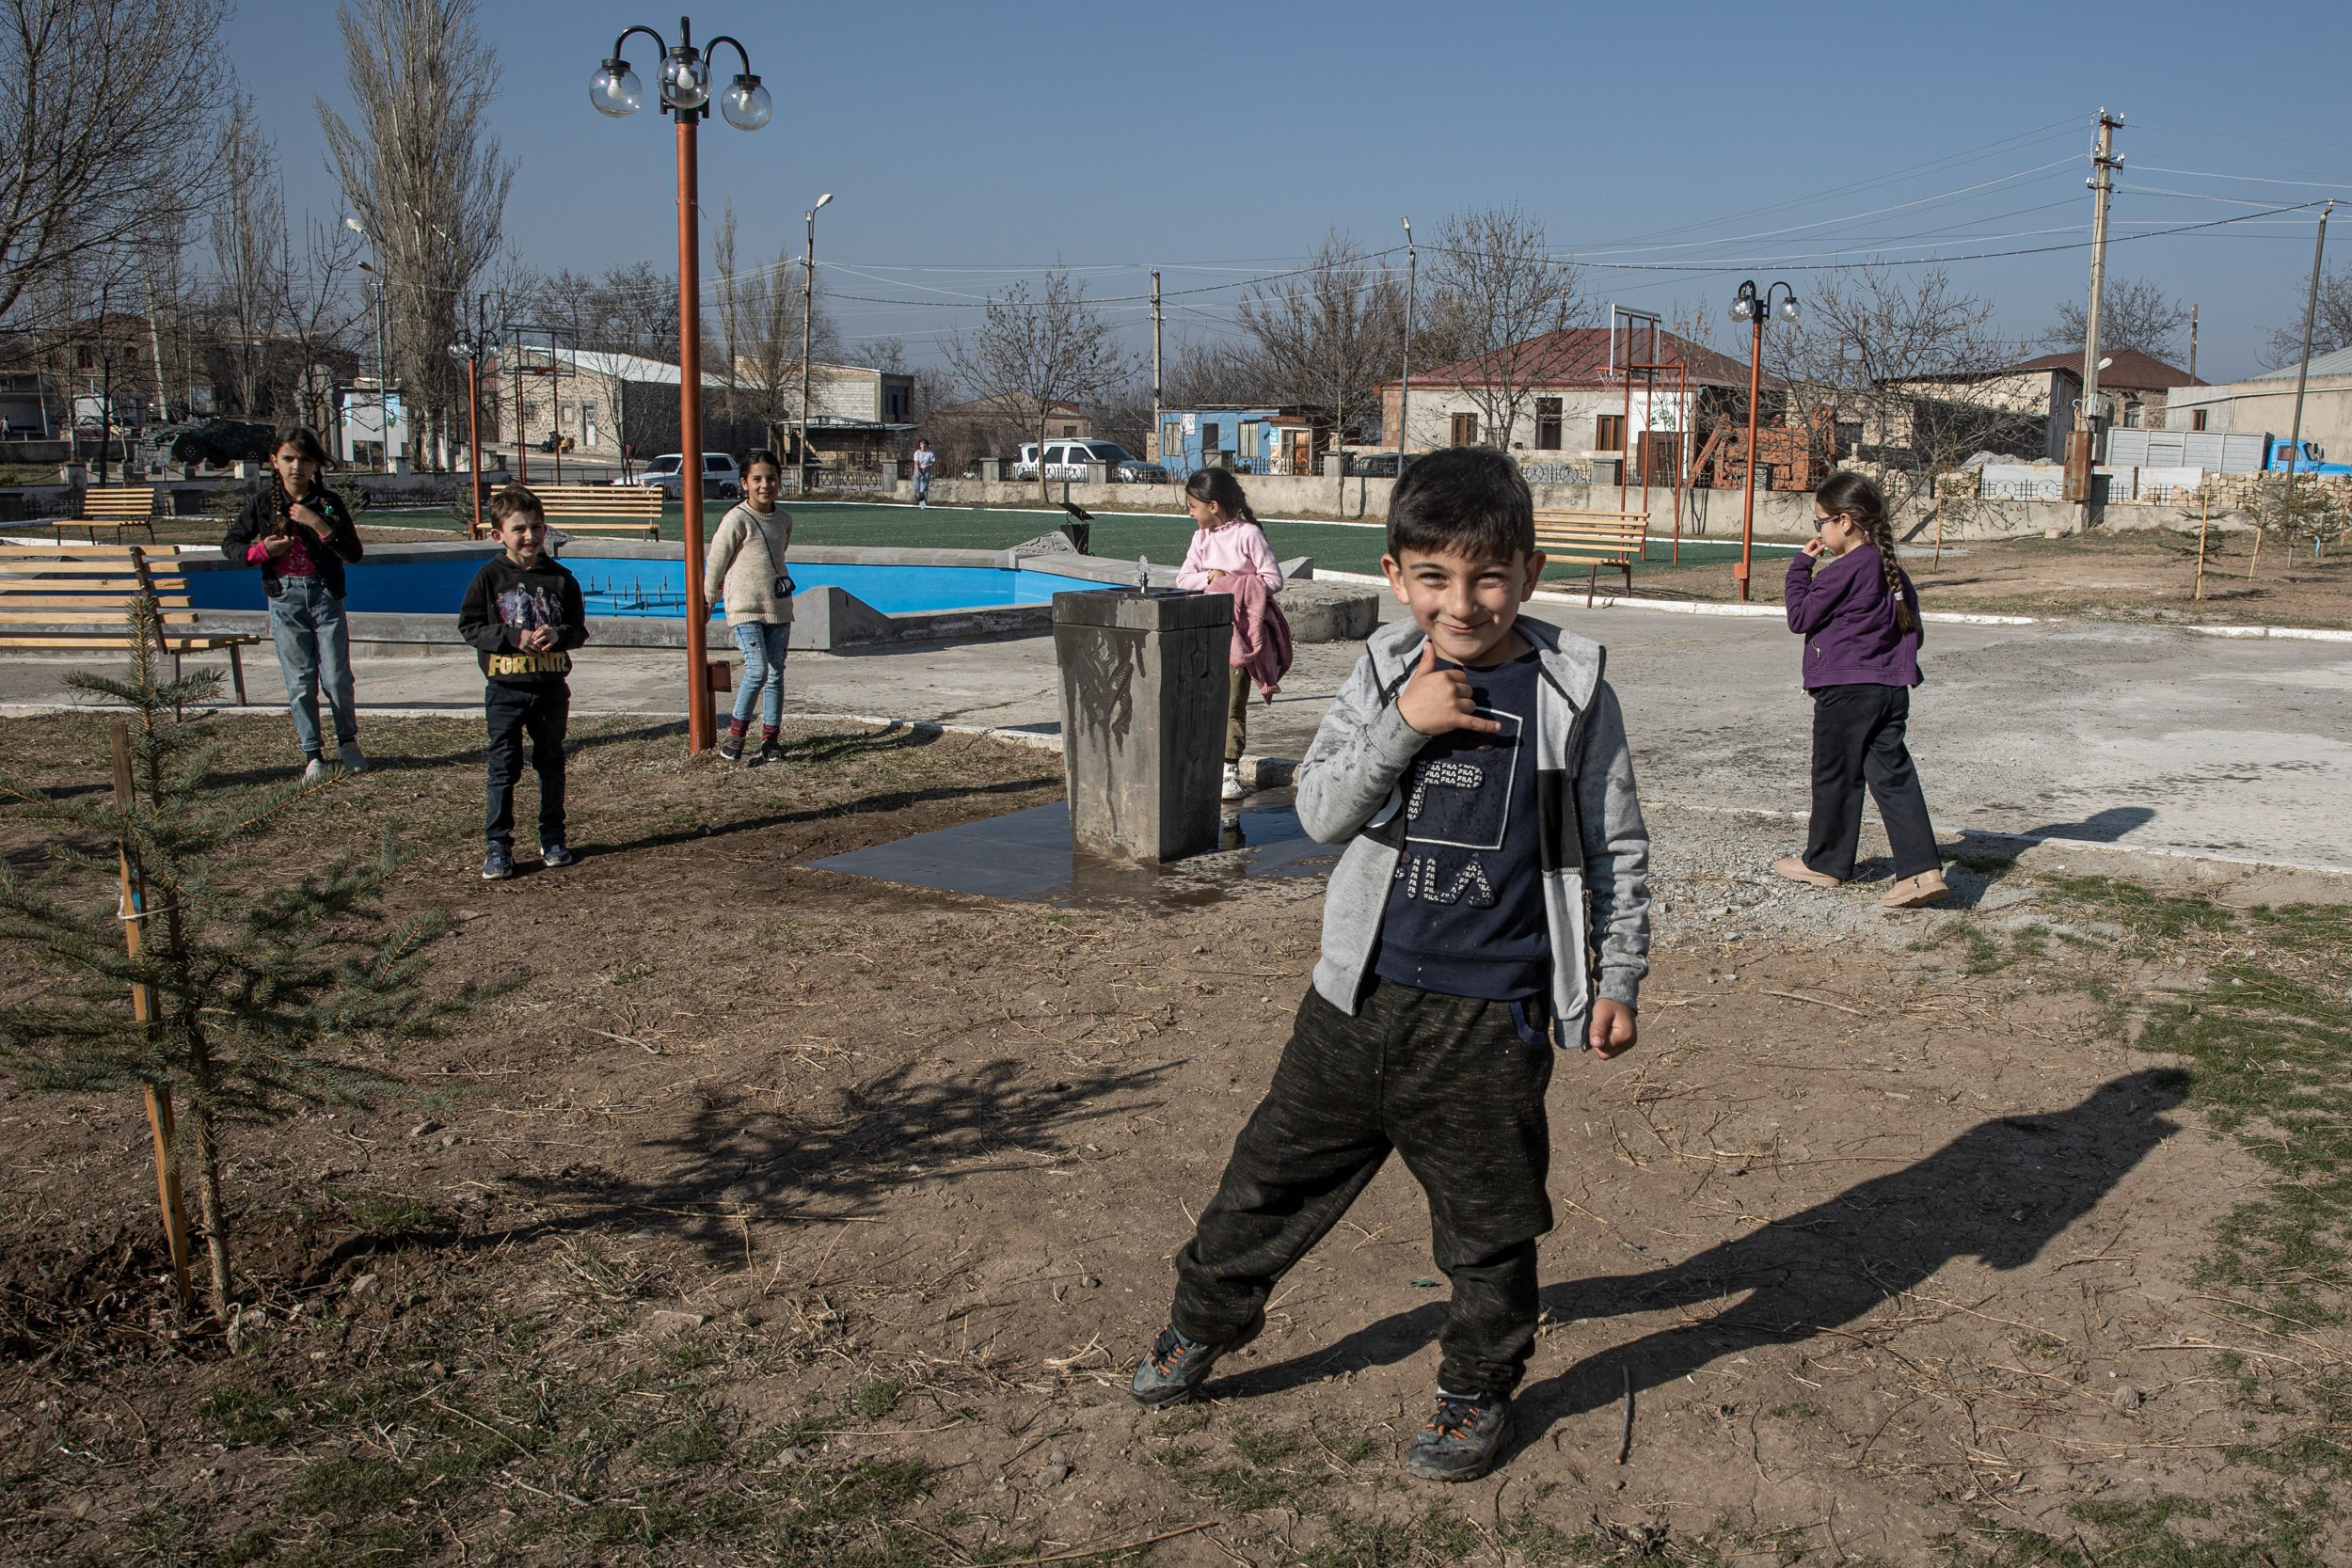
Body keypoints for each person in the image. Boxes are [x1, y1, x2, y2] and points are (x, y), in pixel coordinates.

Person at [1129, 447, 1652, 1484]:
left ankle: (1474, 1390)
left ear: (1530, 572)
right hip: (1354, 1004)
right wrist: (1403, 728)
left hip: (1489, 1023)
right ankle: (1200, 1320)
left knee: (1488, 1226)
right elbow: (1321, 812)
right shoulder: (1381, 671)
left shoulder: (1573, 690)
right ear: (1397, 573)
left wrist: (1617, 975)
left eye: (1489, 575)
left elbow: (1617, 847)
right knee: (1266, 1180)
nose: (1462, 602)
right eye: (1434, 577)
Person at [1774, 470, 1947, 908]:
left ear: (1845, 521)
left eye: (1821, 522)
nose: (1819, 531)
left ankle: (1826, 863)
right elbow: (1913, 629)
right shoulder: (1890, 570)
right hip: (1890, 690)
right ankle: (1922, 872)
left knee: (1834, 775)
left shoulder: (1847, 568)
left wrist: (1801, 565)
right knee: (1892, 777)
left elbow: (1800, 617)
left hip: (1846, 690)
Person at [458, 484, 588, 880]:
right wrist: (513, 638)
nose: (529, 536)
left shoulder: (562, 579)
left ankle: (553, 837)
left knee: (551, 763)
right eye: (519, 529)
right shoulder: (488, 577)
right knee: (503, 767)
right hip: (505, 690)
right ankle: (498, 845)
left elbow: (579, 630)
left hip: (550, 690)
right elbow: (471, 626)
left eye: (536, 527)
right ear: (498, 535)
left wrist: (559, 635)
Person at [222, 426, 366, 780]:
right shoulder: (262, 503)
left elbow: (354, 552)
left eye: (304, 459)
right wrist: (262, 552)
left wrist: (318, 523)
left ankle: (347, 741)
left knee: (336, 678)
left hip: (325, 597)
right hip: (285, 598)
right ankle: (312, 753)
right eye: (288, 458)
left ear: (316, 464)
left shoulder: (328, 503)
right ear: (274, 460)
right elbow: (232, 544)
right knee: (300, 680)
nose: (295, 467)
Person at [1173, 467, 1282, 801]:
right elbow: (1183, 579)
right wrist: (1209, 578)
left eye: (1193, 505)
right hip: (1207, 632)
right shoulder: (1200, 539)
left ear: (1214, 505)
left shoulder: (1248, 535)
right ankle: (1201, 764)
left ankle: (1229, 769)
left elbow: (1273, 580)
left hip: (1241, 635)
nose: (1190, 513)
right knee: (1202, 699)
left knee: (1232, 702)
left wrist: (1233, 584)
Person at [704, 450, 795, 764]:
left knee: (775, 675)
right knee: (756, 669)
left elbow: (778, 553)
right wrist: (709, 597)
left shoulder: (784, 520)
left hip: (778, 609)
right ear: (744, 483)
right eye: (756, 479)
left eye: (771, 478)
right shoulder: (737, 519)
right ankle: (736, 734)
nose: (764, 485)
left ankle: (771, 740)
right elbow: (716, 561)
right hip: (745, 608)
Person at [910, 438, 935, 507]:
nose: (923, 445)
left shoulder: (930, 453)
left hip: (926, 471)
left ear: (926, 445)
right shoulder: (917, 453)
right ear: (919, 445)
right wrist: (918, 472)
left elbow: (933, 463)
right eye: (921, 444)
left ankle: (923, 505)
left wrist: (926, 466)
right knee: (917, 488)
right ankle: (918, 501)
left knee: (923, 488)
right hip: (918, 470)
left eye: (924, 444)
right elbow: (916, 463)